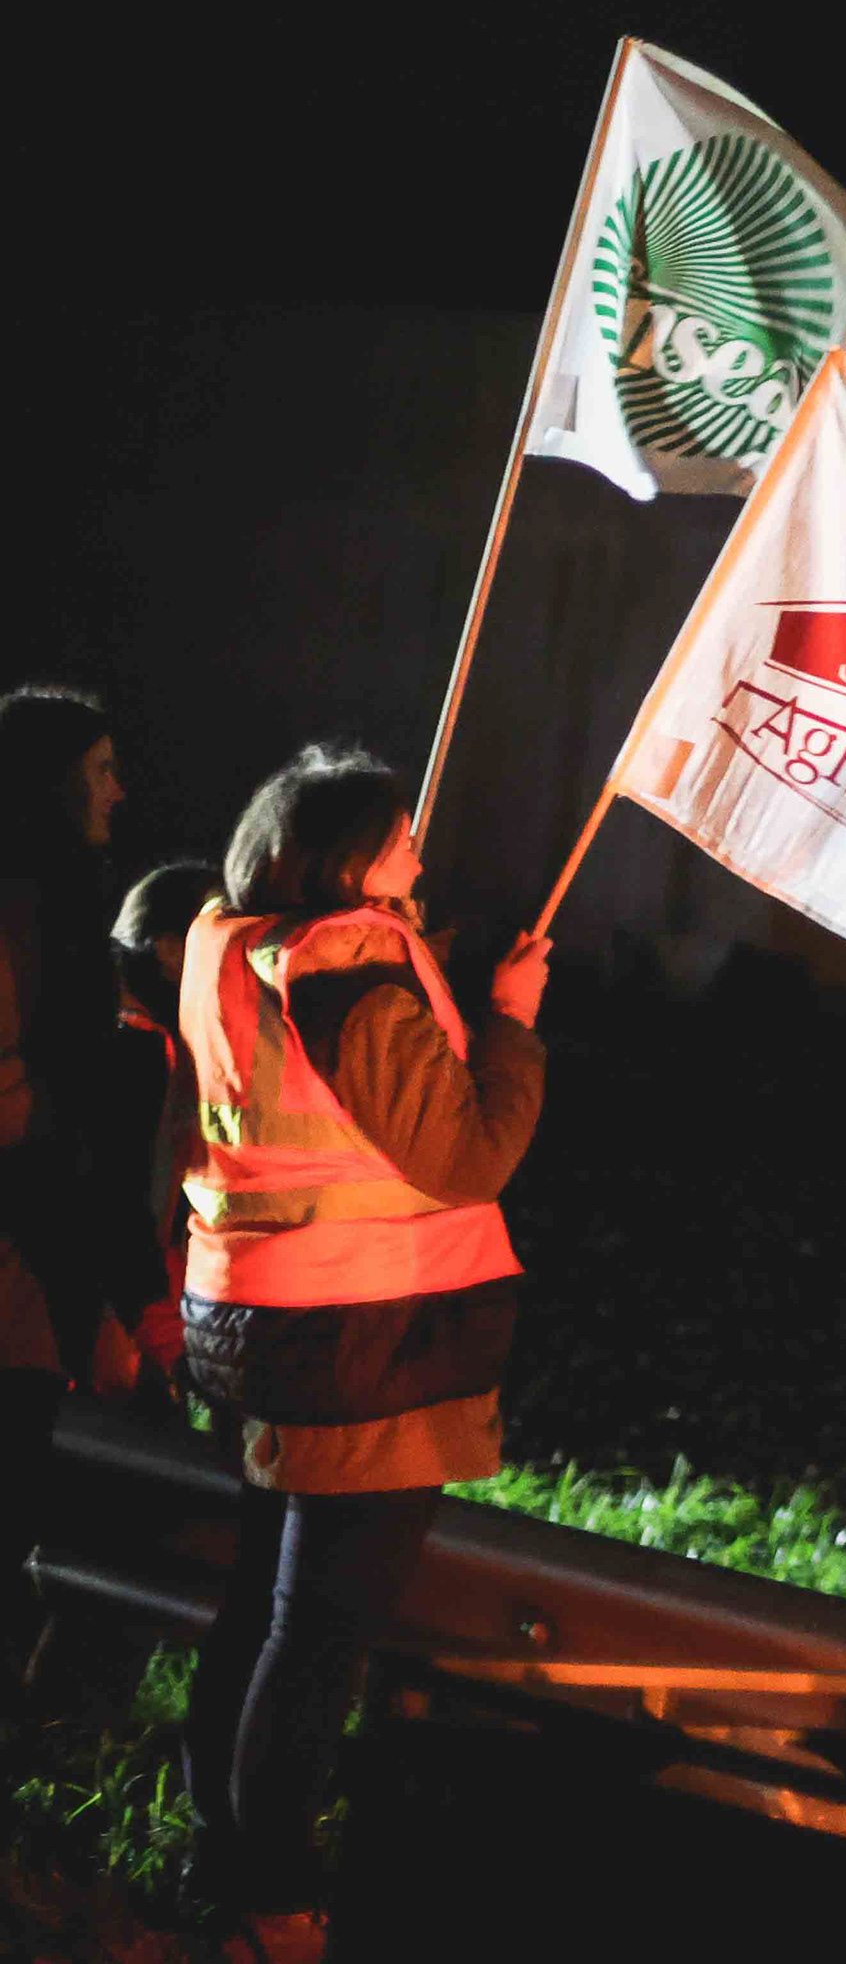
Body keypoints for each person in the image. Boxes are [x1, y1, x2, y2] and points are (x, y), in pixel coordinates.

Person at [175, 745, 552, 1949]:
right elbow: (467, 1156)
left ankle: (223, 1857)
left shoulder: (240, 947)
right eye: (402, 841)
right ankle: (276, 1901)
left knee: (264, 1610)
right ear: (347, 860)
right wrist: (511, 1023)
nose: (420, 859)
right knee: (317, 1635)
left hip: (266, 1317)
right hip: (366, 1338)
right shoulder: (352, 972)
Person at [1, 684, 142, 1686]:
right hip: (21, 1237)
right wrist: (60, 1108)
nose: (118, 791)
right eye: (98, 770)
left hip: (44, 1238)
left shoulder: (60, 904)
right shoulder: (20, 906)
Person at [109, 859, 223, 1404]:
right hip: (122, 1326)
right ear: (169, 949)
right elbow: (125, 1202)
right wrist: (160, 1332)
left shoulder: (120, 1033)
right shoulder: (140, 1048)